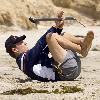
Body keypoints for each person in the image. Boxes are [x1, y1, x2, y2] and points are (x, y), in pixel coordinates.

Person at [5, 11, 94, 82]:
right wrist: (54, 26)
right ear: (14, 49)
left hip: (71, 67)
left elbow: (50, 46)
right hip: (67, 72)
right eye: (21, 42)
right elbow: (40, 45)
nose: (25, 43)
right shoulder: (23, 61)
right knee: (50, 36)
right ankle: (81, 50)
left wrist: (58, 28)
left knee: (62, 35)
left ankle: (82, 43)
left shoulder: (30, 59)